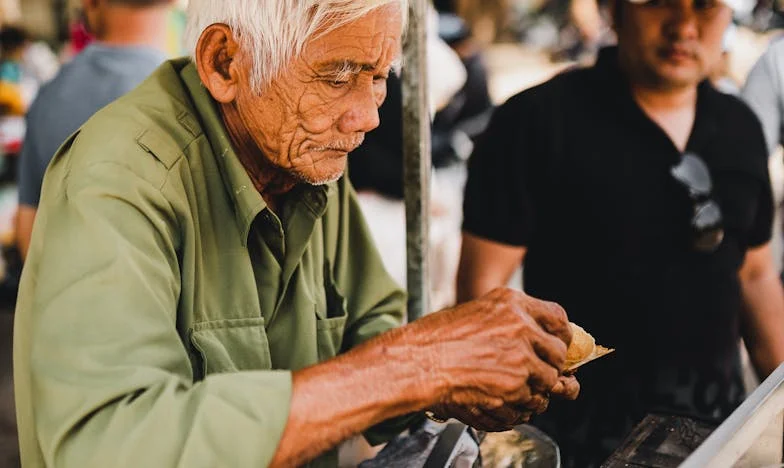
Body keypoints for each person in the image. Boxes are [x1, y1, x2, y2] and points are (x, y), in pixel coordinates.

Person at [13, 1, 581, 467]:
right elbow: (108, 446)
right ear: (225, 62)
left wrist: (460, 370)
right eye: (337, 77)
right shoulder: (118, 179)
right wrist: (420, 364)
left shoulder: (301, 153)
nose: (367, 117)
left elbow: (371, 325)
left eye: (378, 77)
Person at [457, 0, 784, 465]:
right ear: (614, 9)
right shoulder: (535, 121)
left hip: (714, 436)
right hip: (580, 440)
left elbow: (755, 274)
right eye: (659, 2)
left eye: (706, 6)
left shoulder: (741, 128)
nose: (684, 25)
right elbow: (481, 292)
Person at [15, 0, 174, 260]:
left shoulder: (49, 97)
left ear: (89, 2)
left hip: (65, 294)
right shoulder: (195, 99)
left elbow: (28, 231)